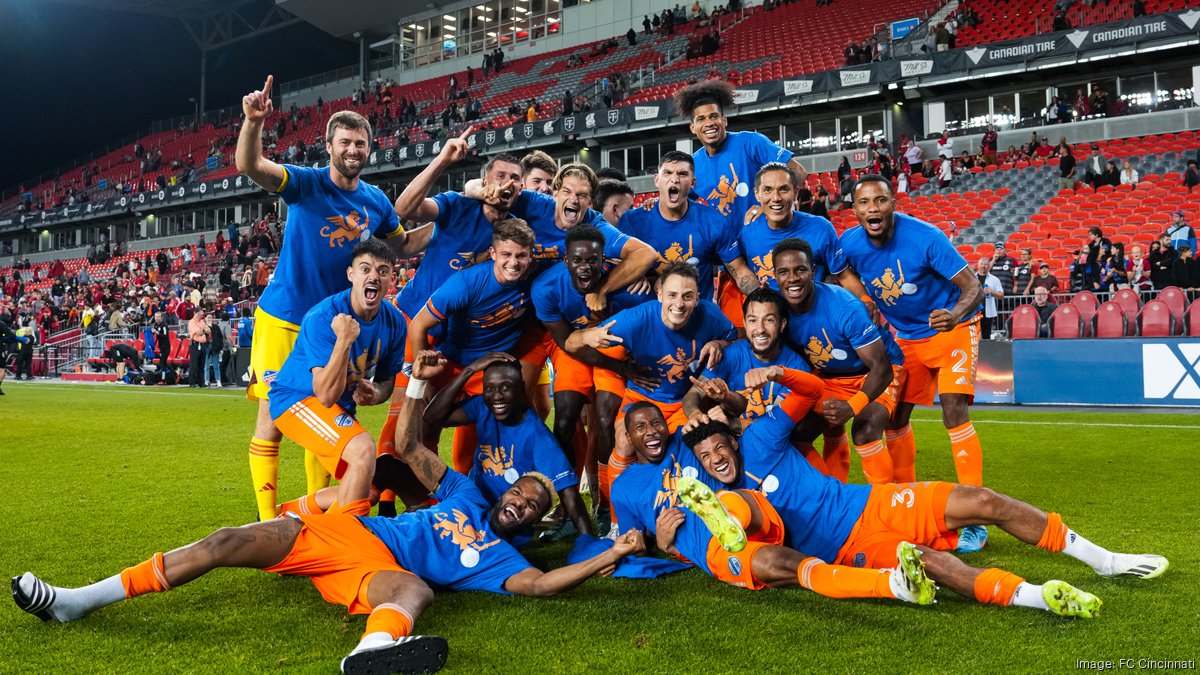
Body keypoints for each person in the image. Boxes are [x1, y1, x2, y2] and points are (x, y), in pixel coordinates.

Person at [12, 349, 646, 675]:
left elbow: (539, 584)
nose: (521, 499)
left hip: (373, 570)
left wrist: (612, 553)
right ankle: (81, 599)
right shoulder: (463, 493)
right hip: (346, 530)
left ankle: (372, 655)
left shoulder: (502, 558)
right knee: (227, 539)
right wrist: (415, 383)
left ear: (535, 522)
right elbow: (405, 446)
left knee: (411, 586)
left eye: (533, 504)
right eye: (521, 490)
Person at [681, 366, 1169, 618]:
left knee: (983, 501)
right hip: (850, 548)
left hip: (868, 502)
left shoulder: (761, 440)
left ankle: (1104, 559)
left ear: (733, 440)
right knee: (930, 564)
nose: (715, 460)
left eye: (719, 449)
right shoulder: (726, 497)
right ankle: (1039, 597)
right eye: (704, 460)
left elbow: (810, 393)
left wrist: (777, 375)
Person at [235, 75, 412, 522]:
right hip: (286, 317)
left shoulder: (376, 201)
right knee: (271, 421)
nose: (353, 150)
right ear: (329, 146)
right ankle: (266, 522)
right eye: (345, 142)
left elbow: (404, 245)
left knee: (327, 417)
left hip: (335, 326)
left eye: (361, 144)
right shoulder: (306, 183)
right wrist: (253, 122)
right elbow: (251, 166)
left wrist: (468, 225)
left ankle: (317, 520)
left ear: (370, 149)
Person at [611, 401, 935, 603]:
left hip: (745, 509)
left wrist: (710, 406)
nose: (652, 431)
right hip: (707, 548)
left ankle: (726, 514)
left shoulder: (685, 440)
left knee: (736, 499)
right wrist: (664, 544)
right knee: (788, 567)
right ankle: (893, 584)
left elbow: (716, 427)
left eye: (656, 423)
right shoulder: (624, 487)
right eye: (640, 427)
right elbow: (633, 541)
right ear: (627, 436)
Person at [838, 176, 986, 502]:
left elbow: (973, 287)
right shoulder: (849, 244)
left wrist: (955, 314)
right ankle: (905, 501)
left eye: (880, 200)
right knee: (894, 418)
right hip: (904, 337)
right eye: (864, 202)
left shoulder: (925, 237)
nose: (872, 208)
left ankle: (977, 513)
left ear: (894, 203)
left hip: (952, 330)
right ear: (854, 210)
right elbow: (831, 268)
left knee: (953, 408)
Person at [566, 261, 736, 514]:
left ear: (697, 297)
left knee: (697, 445)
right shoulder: (635, 319)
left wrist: (720, 343)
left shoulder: (709, 314)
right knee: (623, 440)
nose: (679, 304)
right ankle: (615, 518)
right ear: (659, 294)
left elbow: (735, 336)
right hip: (643, 398)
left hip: (684, 399)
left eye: (687, 296)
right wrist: (585, 336)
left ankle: (700, 510)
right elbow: (570, 343)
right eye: (672, 295)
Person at [268, 239, 409, 515]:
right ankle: (347, 544)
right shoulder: (323, 317)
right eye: (365, 269)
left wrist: (376, 393)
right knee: (363, 451)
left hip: (338, 405)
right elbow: (325, 395)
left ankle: (289, 514)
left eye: (382, 271)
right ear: (351, 275)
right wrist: (344, 340)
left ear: (392, 278)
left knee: (364, 492)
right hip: (298, 399)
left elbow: (386, 383)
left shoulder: (395, 321)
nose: (373, 277)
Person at [531, 224, 655, 528]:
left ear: (604, 260)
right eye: (577, 261)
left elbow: (646, 328)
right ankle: (567, 504)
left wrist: (651, 279)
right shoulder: (546, 289)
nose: (585, 267)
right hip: (577, 349)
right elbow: (566, 343)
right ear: (566, 261)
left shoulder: (626, 284)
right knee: (563, 421)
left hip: (614, 353)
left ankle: (605, 500)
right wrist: (622, 369)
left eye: (592, 261)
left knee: (604, 421)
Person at [407, 219, 547, 474]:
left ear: (531, 254)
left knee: (487, 434)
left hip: (490, 370)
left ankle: (477, 488)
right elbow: (418, 325)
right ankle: (427, 496)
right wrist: (424, 377)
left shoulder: (537, 276)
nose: (513, 262)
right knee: (426, 429)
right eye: (506, 254)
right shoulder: (465, 284)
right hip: (451, 364)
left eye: (521, 255)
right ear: (493, 253)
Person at [673, 79, 807, 322]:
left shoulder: (750, 142)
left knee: (785, 323)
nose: (709, 123)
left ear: (724, 120)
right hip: (732, 264)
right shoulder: (694, 165)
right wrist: (653, 206)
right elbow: (677, 203)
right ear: (693, 127)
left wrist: (767, 203)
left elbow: (797, 171)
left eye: (714, 116)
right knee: (738, 333)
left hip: (768, 254)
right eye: (701, 119)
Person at [423, 353, 593, 540]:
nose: (496, 397)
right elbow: (432, 417)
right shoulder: (483, 406)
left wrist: (588, 543)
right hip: (470, 506)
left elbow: (570, 497)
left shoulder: (538, 437)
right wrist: (468, 371)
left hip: (506, 522)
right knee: (392, 469)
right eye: (489, 388)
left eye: (505, 388)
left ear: (521, 389)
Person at [616, 152, 760, 304]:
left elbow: (739, 270)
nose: (675, 179)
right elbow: (615, 267)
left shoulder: (713, 221)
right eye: (667, 173)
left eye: (682, 174)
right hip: (650, 316)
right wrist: (648, 280)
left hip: (698, 315)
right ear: (657, 180)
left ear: (692, 183)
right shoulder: (631, 221)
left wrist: (762, 299)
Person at [976, 257, 1003, 339]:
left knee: (986, 335)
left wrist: (992, 292)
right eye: (982, 264)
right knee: (974, 335)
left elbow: (1001, 295)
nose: (983, 266)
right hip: (974, 311)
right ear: (978, 265)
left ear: (989, 266)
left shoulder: (995, 279)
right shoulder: (972, 278)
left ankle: (985, 351)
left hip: (987, 311)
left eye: (986, 264)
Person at [187, 308, 211, 388]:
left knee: (201, 364)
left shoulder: (201, 321)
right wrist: (203, 330)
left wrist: (203, 330)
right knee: (194, 364)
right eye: (201, 312)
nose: (203, 314)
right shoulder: (191, 322)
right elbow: (198, 333)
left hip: (203, 344)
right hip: (195, 345)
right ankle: (192, 382)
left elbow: (208, 330)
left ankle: (201, 382)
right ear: (197, 313)